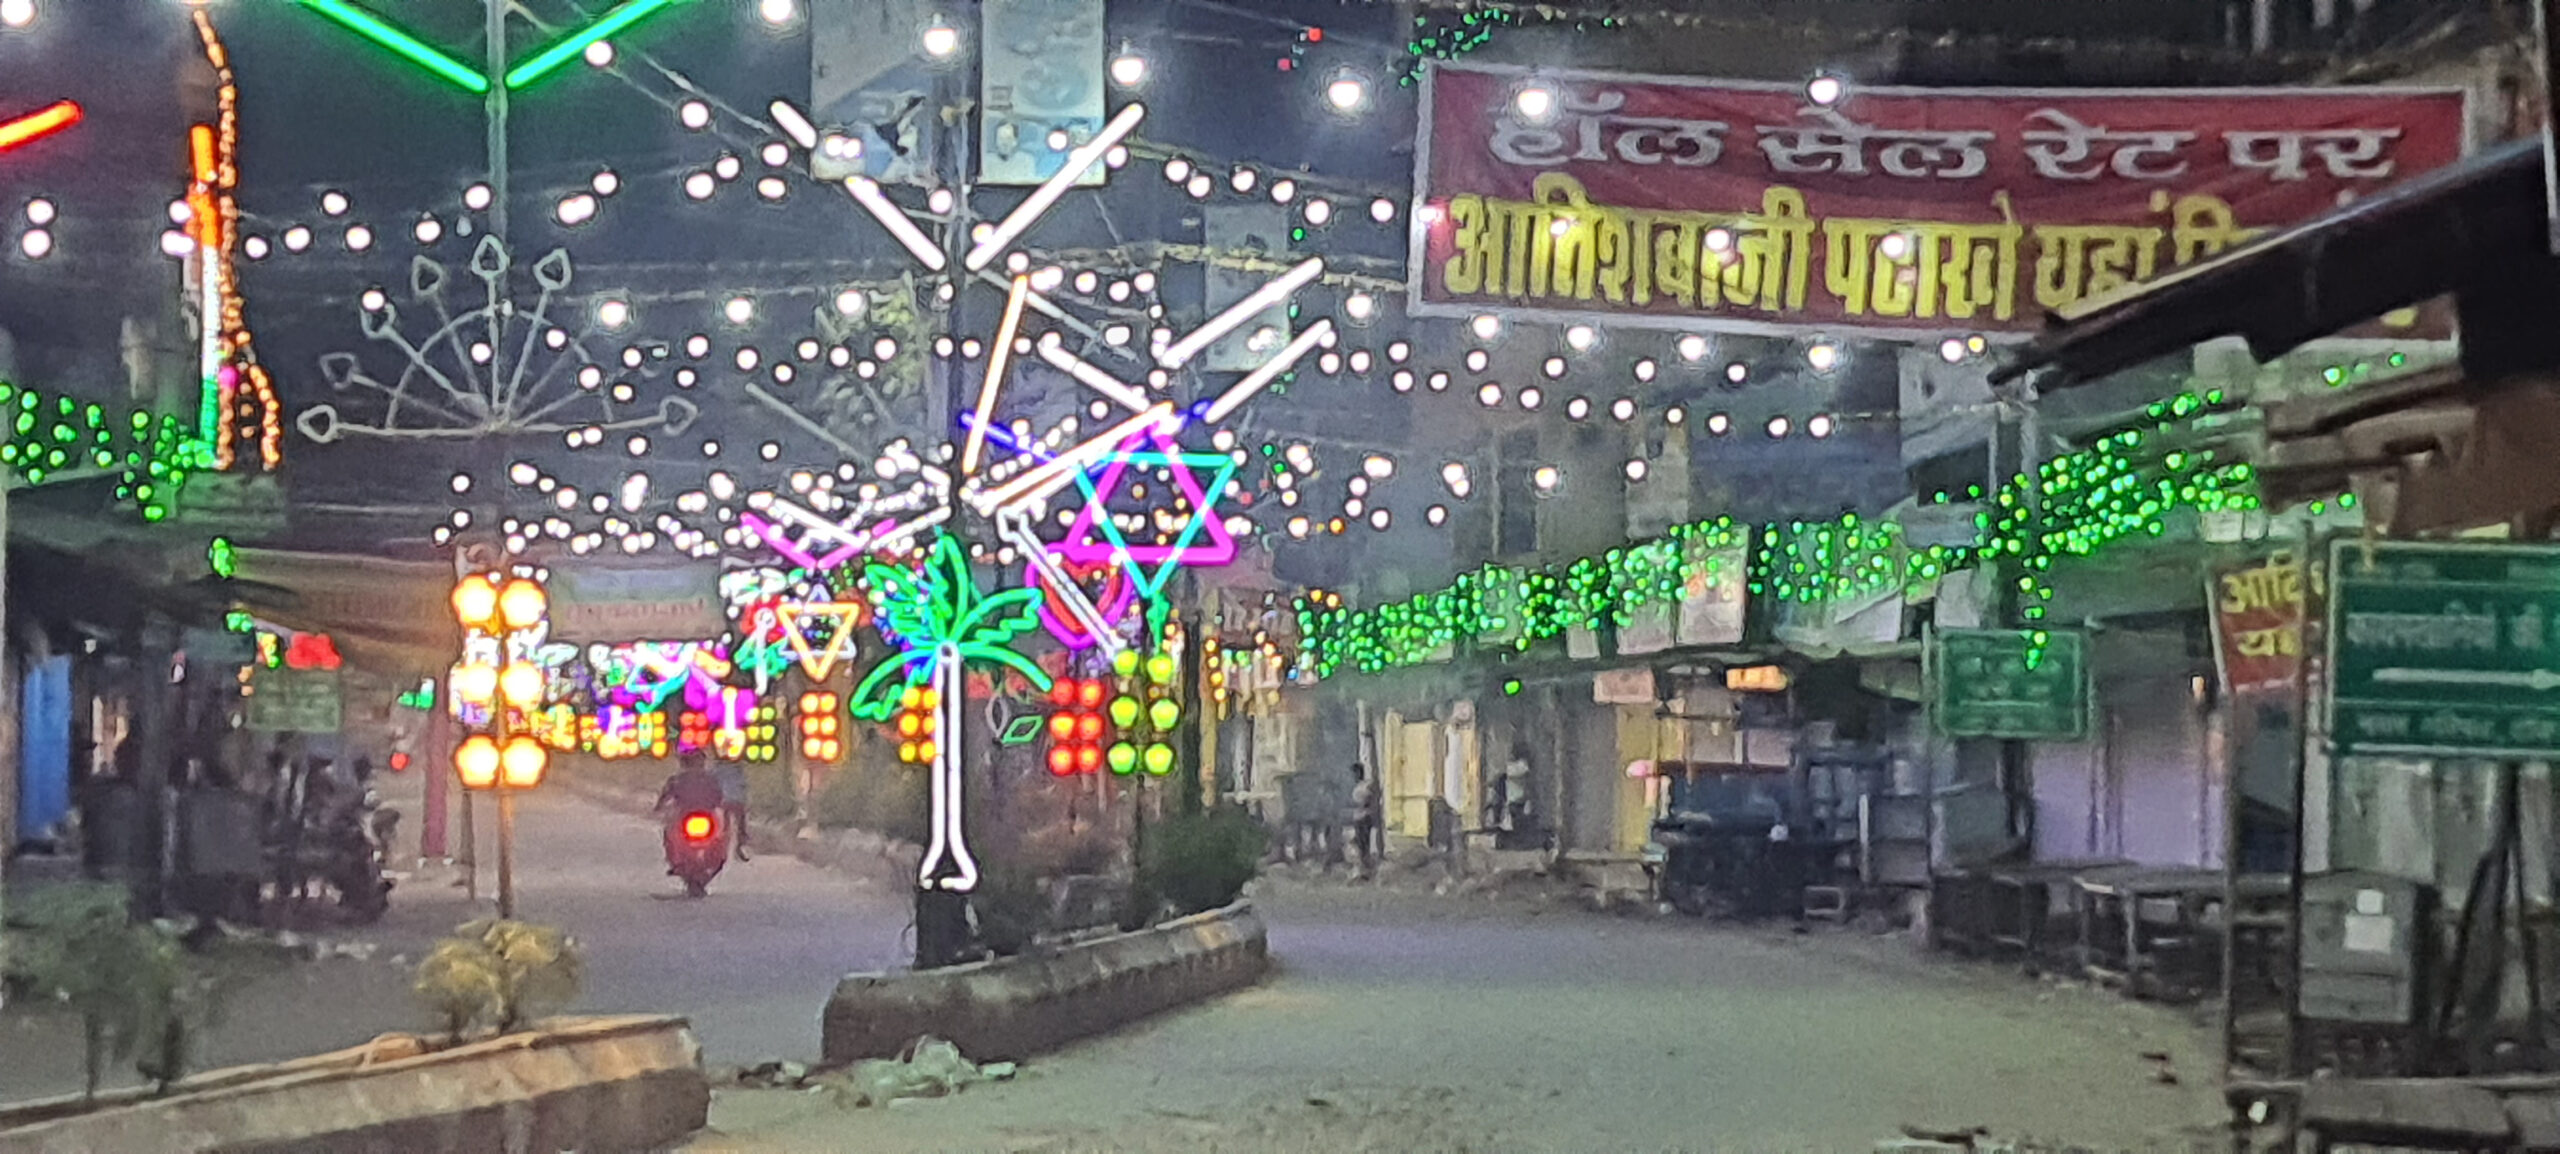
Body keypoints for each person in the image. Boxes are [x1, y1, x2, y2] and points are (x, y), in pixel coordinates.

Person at [713, 758, 751, 863]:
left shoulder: (717, 769)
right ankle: (741, 842)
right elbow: (743, 785)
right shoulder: (737, 770)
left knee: (724, 825)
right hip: (737, 800)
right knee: (741, 824)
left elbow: (713, 782)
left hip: (724, 801)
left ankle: (721, 845)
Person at [1348, 762, 1382, 879]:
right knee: (1359, 844)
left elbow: (1367, 802)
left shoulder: (1364, 787)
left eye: (1355, 773)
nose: (1354, 776)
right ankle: (1363, 868)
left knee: (1363, 844)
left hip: (1364, 819)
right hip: (1358, 819)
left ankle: (1366, 869)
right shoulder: (1357, 787)